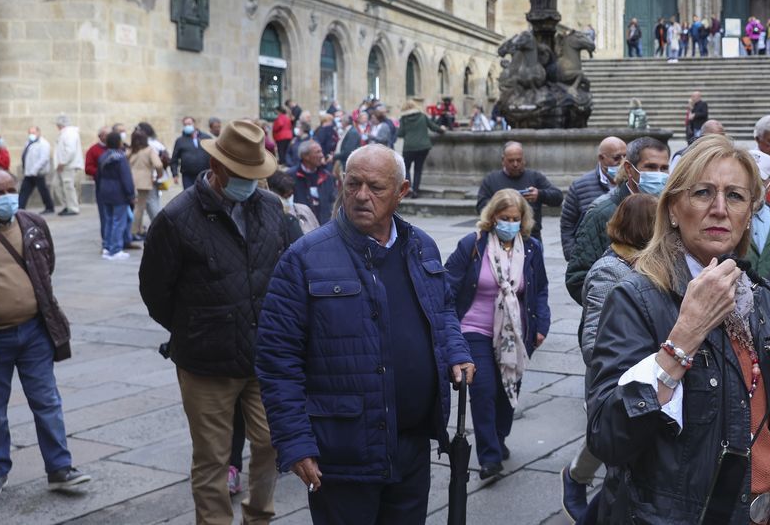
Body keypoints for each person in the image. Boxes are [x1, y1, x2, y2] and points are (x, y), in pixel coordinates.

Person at [585, 136, 770, 523]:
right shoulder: (637, 298)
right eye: (703, 193)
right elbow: (607, 437)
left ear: (748, 215)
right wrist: (684, 337)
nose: (720, 209)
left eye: (736, 197)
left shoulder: (758, 295)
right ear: (673, 208)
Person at [257, 145, 475, 523]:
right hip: (342, 453)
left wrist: (455, 349)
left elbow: (442, 310)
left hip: (411, 444)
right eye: (352, 183)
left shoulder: (421, 246)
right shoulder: (305, 257)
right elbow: (277, 360)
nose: (360, 195)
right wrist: (294, 441)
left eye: (375, 187)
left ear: (402, 191)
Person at [139, 120, 288, 525]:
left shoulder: (271, 207)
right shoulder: (176, 217)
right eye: (242, 176)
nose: (250, 184)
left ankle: (259, 516)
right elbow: (155, 292)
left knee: (272, 442)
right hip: (205, 361)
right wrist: (196, 327)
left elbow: (282, 273)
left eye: (256, 176)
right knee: (212, 458)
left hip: (264, 356)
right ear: (217, 167)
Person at [0, 167, 92, 500]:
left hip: (35, 331)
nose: (7, 197)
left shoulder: (32, 223)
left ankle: (60, 468)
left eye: (10, 189)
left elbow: (47, 267)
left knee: (47, 401)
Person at [564, 192, 657, 520]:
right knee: (620, 470)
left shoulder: (648, 266)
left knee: (625, 468)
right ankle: (578, 485)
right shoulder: (609, 271)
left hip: (640, 381)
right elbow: (594, 344)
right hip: (616, 382)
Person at [445, 190, 549, 481]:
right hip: (474, 328)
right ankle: (488, 458)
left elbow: (539, 290)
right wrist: (446, 326)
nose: (510, 223)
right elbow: (448, 284)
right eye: (505, 218)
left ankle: (498, 437)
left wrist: (542, 325)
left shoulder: (531, 248)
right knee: (483, 391)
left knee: (507, 393)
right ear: (493, 217)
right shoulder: (473, 244)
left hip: (514, 333)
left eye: (516, 219)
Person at [565, 137, 670, 303]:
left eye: (664, 168)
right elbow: (577, 278)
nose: (658, 174)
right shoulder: (602, 212)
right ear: (629, 169)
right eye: (650, 167)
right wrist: (616, 307)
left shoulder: (672, 211)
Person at [476, 142, 563, 239]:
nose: (515, 164)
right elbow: (481, 206)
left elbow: (558, 197)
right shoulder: (491, 180)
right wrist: (500, 204)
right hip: (499, 235)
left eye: (519, 160)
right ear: (503, 160)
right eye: (511, 161)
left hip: (530, 236)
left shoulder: (534, 177)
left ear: (524, 160)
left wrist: (540, 194)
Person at [559, 136, 626, 261]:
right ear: (601, 158)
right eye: (617, 158)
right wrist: (573, 255)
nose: (622, 162)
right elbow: (567, 224)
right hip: (591, 260)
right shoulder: (580, 186)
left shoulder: (632, 184)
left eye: (625, 156)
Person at [95, 132, 134, 260]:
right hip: (118, 193)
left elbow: (98, 176)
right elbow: (126, 177)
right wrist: (131, 194)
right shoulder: (120, 158)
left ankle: (107, 247)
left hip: (105, 191)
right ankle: (116, 248)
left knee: (108, 220)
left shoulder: (102, 156)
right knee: (119, 221)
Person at [396, 99, 444, 199]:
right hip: (423, 147)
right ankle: (415, 191)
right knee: (418, 169)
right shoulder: (422, 116)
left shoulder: (404, 119)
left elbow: (400, 133)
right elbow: (433, 127)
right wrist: (442, 130)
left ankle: (408, 188)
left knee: (406, 168)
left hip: (409, 147)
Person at [128, 130, 162, 239]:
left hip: (130, 181)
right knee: (140, 207)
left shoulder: (130, 151)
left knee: (135, 206)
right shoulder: (149, 150)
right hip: (144, 181)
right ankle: (134, 231)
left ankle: (139, 229)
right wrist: (159, 175)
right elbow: (158, 164)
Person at [292, 140, 337, 225]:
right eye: (317, 152)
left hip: (324, 226)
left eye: (321, 151)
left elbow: (332, 201)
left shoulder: (327, 177)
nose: (322, 155)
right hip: (302, 227)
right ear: (305, 156)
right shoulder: (291, 177)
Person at [266, 169, 317, 238]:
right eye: (284, 197)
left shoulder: (304, 210)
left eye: (290, 195)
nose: (288, 200)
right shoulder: (268, 217)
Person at [19, 126, 55, 214]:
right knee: (24, 190)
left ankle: (49, 207)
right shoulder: (29, 142)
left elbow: (44, 158)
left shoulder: (43, 143)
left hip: (38, 172)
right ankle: (19, 207)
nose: (31, 135)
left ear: (39, 132)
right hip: (29, 172)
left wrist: (34, 170)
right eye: (30, 133)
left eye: (33, 133)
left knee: (42, 190)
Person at [171, 116, 212, 190]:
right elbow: (174, 159)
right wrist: (175, 174)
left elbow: (213, 154)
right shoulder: (180, 141)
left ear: (195, 124)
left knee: (204, 194)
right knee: (189, 195)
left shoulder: (206, 138)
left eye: (189, 124)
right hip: (188, 175)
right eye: (185, 125)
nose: (187, 126)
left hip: (205, 173)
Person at [53, 115, 82, 217]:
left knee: (68, 187)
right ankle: (66, 205)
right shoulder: (64, 133)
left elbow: (70, 150)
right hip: (62, 166)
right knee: (57, 185)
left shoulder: (70, 133)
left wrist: (62, 162)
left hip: (68, 165)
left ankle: (73, 207)